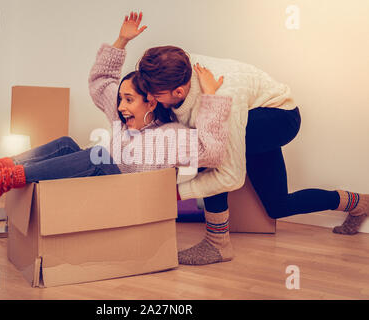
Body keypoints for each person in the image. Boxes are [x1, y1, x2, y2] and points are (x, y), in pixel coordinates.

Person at [0, 12, 232, 204]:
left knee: (99, 156)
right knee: (69, 144)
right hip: (105, 186)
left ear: (151, 102)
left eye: (129, 100)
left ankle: (1, 180)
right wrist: (122, 41)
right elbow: (100, 81)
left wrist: (211, 97)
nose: (120, 106)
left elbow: (213, 152)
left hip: (131, 197)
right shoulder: (122, 117)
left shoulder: (172, 135)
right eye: (120, 98)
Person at [136, 32, 368, 265]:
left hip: (279, 118)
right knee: (278, 206)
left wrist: (177, 193)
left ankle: (217, 244)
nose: (150, 99)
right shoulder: (172, 67)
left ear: (178, 92)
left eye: (155, 95)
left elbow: (231, 177)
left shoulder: (224, 97)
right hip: (254, 112)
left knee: (211, 156)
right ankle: (359, 203)